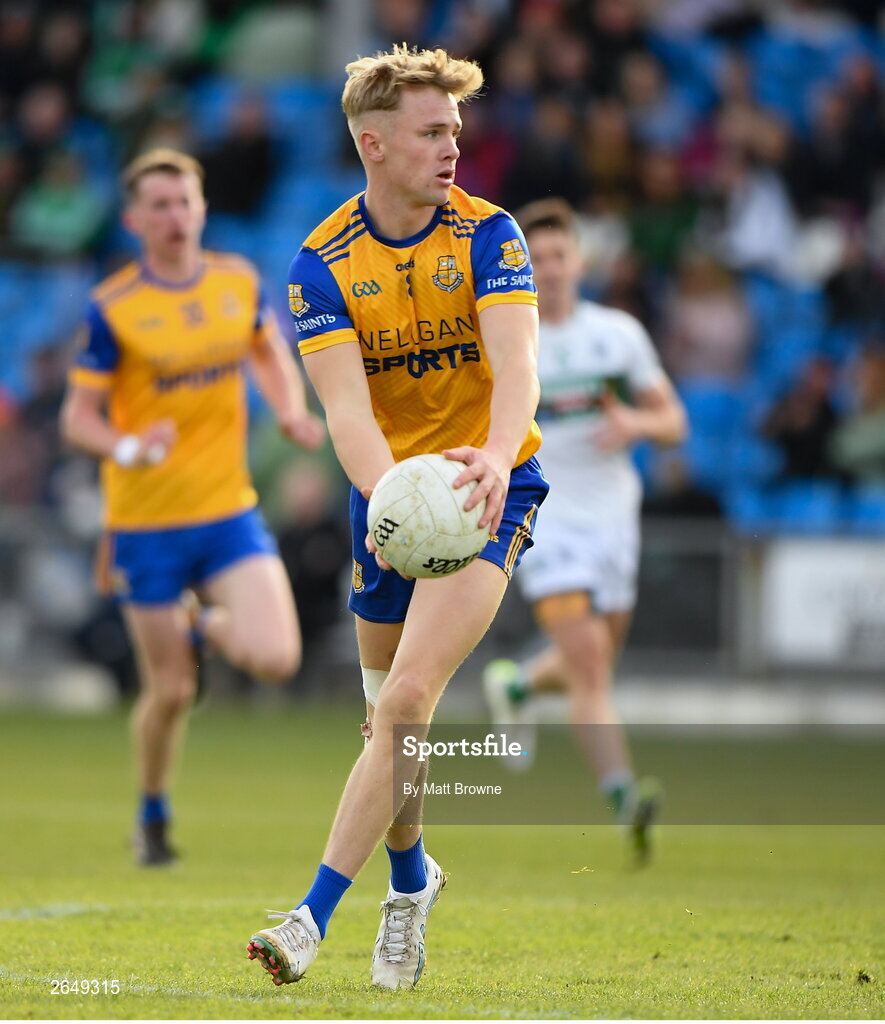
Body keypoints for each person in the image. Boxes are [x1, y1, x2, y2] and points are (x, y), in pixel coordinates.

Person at [246, 45, 547, 990]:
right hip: (391, 496)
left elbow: (518, 372)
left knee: (409, 701)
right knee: (387, 724)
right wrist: (391, 503)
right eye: (431, 133)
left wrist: (492, 462)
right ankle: (412, 880)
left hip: (486, 487)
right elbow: (345, 412)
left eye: (455, 130)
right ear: (373, 144)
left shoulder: (491, 233)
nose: (452, 147)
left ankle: (309, 918)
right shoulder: (319, 264)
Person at [59, 148, 324, 866]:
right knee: (170, 691)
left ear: (203, 210)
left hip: (225, 510)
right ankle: (151, 816)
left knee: (275, 657)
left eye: (186, 203)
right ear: (134, 219)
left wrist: (291, 412)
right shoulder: (114, 306)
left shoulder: (237, 281)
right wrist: (127, 448)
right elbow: (77, 418)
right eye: (161, 206)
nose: (176, 217)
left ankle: (202, 621)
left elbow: (268, 352)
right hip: (144, 524)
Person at [482, 198, 687, 863]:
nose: (548, 269)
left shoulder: (617, 335)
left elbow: (673, 423)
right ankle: (624, 795)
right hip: (544, 516)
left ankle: (514, 687)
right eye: (534, 259)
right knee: (590, 665)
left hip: (612, 520)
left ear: (579, 260)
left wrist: (635, 426)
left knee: (589, 658)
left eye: (558, 256)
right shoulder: (509, 337)